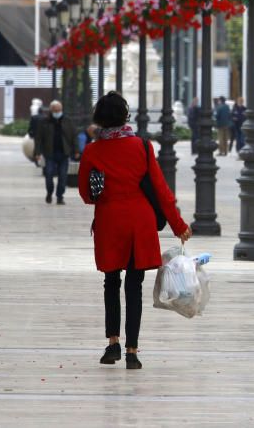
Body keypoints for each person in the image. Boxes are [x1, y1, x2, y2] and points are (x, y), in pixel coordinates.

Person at [78, 92, 191, 371]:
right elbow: (162, 191)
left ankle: (113, 343)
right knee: (134, 287)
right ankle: (132, 351)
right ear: (125, 116)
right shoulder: (142, 146)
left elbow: (86, 195)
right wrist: (178, 225)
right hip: (139, 223)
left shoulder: (93, 151)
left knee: (111, 283)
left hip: (110, 222)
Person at [34, 100, 79, 205]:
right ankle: (49, 193)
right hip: (50, 153)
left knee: (63, 176)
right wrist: (37, 152)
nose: (57, 112)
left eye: (59, 110)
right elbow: (38, 138)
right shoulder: (44, 122)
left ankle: (60, 196)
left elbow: (74, 136)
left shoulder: (68, 121)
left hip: (64, 153)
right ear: (51, 110)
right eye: (55, 110)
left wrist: (76, 150)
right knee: (49, 174)